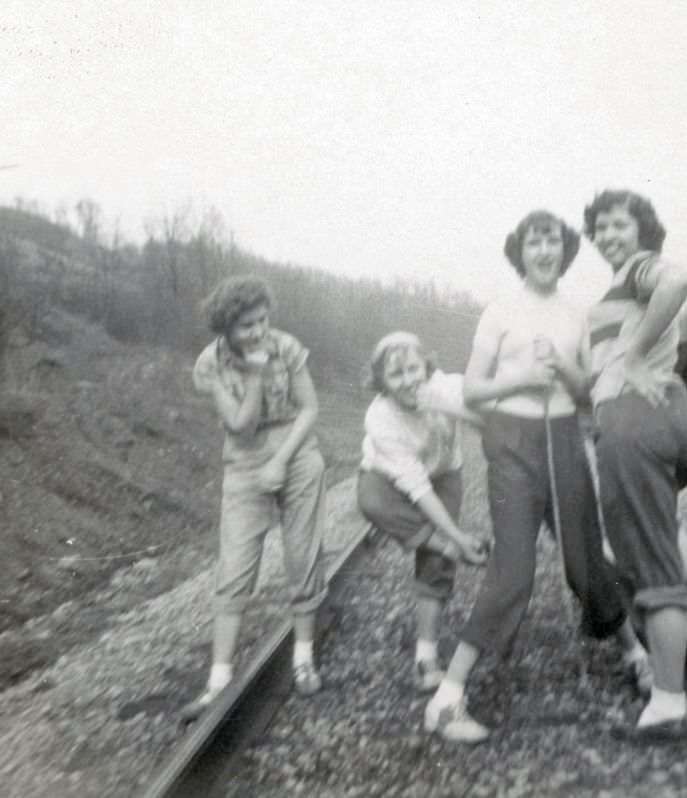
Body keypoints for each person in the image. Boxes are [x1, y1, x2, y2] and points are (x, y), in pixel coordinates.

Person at [424, 210, 651, 744]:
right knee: (515, 571)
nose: (545, 251)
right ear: (520, 252)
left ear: (565, 250)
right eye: (534, 242)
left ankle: (637, 656)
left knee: (585, 563)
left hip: (564, 441)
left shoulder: (578, 315)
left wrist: (564, 368)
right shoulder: (499, 311)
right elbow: (475, 390)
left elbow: (584, 388)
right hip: (511, 444)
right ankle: (447, 698)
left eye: (553, 241)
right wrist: (522, 374)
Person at [582, 188, 687, 737]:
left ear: (642, 230)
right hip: (673, 416)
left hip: (636, 424)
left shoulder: (641, 269)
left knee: (651, 568)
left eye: (618, 225)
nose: (606, 236)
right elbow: (599, 373)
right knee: (651, 537)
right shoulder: (616, 291)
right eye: (599, 228)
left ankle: (668, 702)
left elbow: (678, 281)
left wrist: (633, 356)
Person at [182, 274, 328, 721]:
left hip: (296, 454)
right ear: (226, 328)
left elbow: (310, 408)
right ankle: (218, 681)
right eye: (247, 325)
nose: (259, 331)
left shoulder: (287, 345)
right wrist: (257, 373)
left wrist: (282, 460)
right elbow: (241, 425)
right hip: (244, 463)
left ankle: (303, 658)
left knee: (302, 557)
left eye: (263, 320)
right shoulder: (211, 363)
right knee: (235, 568)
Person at [357, 331, 489, 693]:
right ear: (381, 382)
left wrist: (447, 407)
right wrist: (454, 538)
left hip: (444, 470)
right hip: (387, 476)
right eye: (396, 375)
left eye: (413, 368)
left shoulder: (447, 387)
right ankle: (442, 545)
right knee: (371, 501)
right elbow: (415, 487)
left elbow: (488, 423)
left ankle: (425, 656)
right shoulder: (380, 418)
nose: (409, 381)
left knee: (434, 565)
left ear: (426, 367)